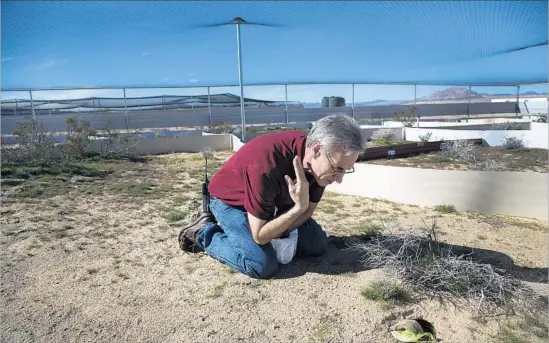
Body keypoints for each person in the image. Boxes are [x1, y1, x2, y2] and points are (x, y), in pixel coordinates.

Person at [178, 114, 365, 279]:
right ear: (316, 150)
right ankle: (203, 233)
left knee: (317, 245)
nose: (339, 179)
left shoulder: (319, 167)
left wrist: (282, 227)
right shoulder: (267, 163)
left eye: (345, 171)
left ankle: (260, 231)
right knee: (262, 265)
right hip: (231, 202)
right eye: (337, 169)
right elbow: (261, 235)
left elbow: (308, 210)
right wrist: (296, 210)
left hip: (273, 203)